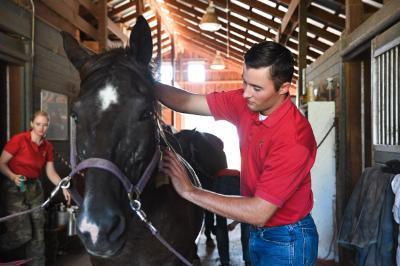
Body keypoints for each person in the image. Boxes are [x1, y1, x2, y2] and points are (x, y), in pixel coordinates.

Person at [157, 41, 319, 265]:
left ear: (283, 88)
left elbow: (258, 211)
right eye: (245, 82)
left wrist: (190, 191)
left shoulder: (294, 138)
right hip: (256, 232)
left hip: (287, 239)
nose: (245, 93)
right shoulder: (248, 102)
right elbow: (185, 101)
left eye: (256, 88)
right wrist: (142, 81)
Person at [0, 110, 71, 266]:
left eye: (45, 125)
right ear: (32, 124)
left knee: (39, 233)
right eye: (38, 124)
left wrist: (64, 187)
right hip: (15, 187)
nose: (41, 128)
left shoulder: (47, 146)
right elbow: (1, 163)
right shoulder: (19, 140)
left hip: (34, 188)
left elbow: (51, 172)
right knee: (22, 235)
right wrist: (12, 176)